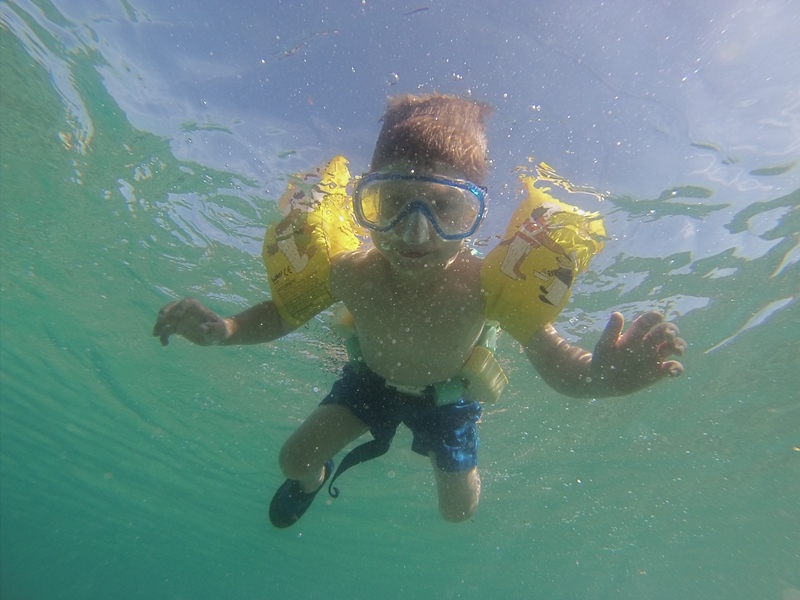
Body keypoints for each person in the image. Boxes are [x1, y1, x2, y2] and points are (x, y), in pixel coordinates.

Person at [153, 94, 686, 528]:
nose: (414, 232)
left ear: (476, 212)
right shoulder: (350, 272)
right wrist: (225, 328)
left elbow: (560, 364)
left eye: (444, 208)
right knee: (293, 461)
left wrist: (600, 379)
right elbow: (281, 315)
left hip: (449, 400)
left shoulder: (487, 286)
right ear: (366, 203)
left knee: (458, 512)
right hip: (368, 382)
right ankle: (314, 483)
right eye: (392, 203)